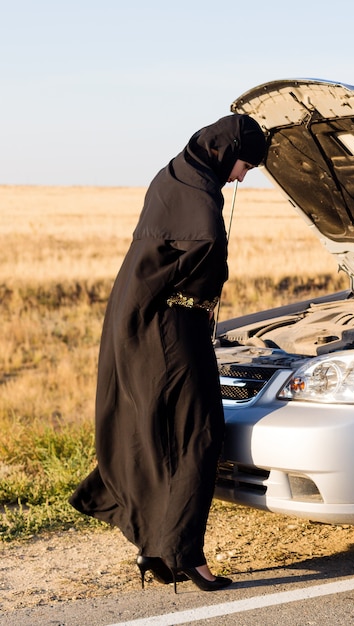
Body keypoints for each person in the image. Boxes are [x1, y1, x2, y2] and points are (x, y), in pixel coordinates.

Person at [69, 114, 267, 592]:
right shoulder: (199, 197)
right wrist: (207, 288)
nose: (242, 177)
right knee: (199, 433)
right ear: (227, 151)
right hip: (171, 325)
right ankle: (186, 555)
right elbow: (203, 245)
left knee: (158, 432)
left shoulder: (174, 174)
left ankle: (156, 547)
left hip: (138, 316)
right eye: (245, 165)